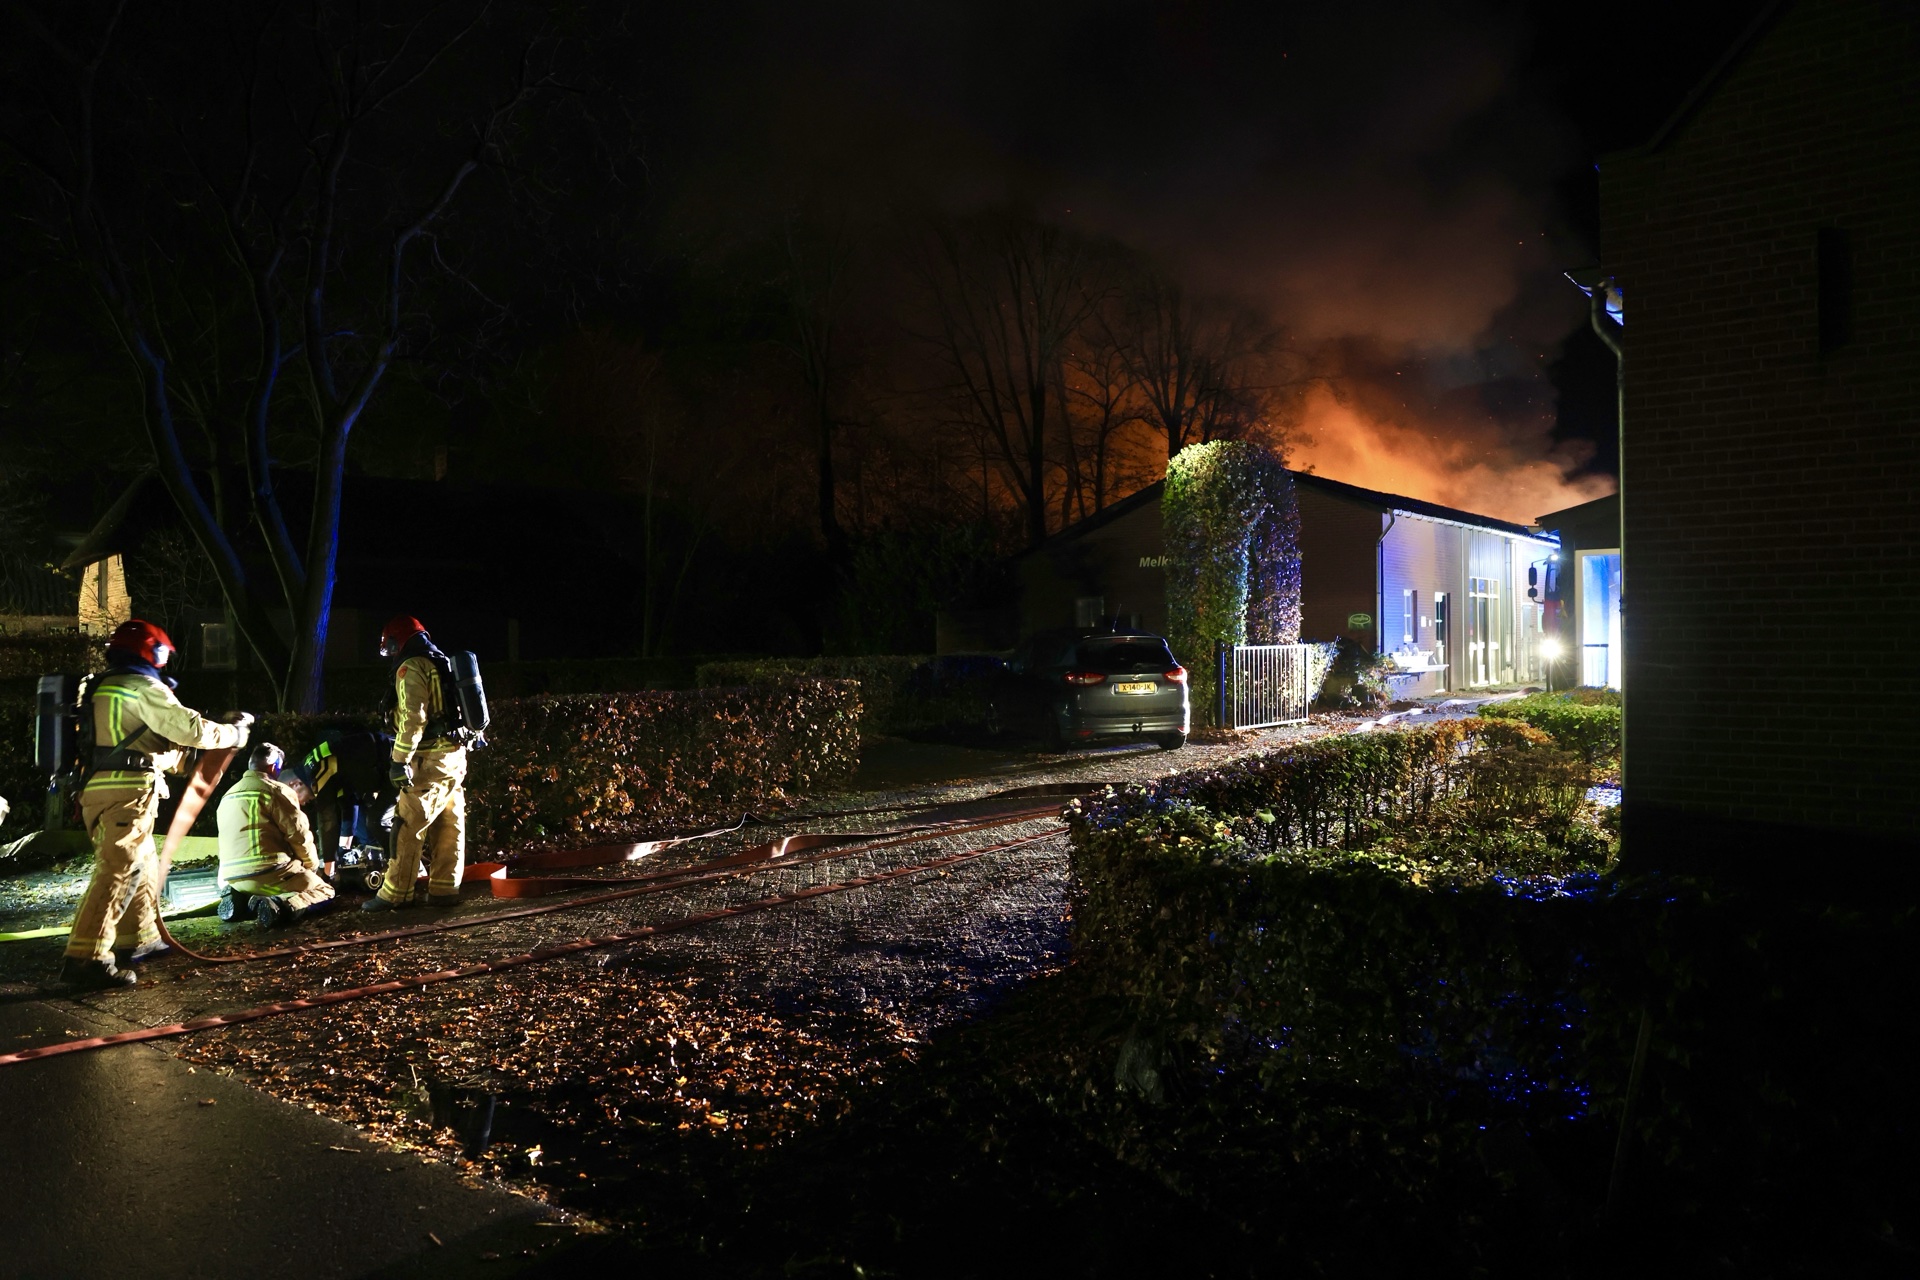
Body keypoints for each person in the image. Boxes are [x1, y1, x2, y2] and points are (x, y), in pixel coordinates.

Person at [60, 618, 251, 989]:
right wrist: (233, 733)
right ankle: (85, 959)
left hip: (100, 789)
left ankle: (139, 938)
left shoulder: (102, 687)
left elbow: (132, 744)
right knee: (118, 868)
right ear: (153, 651)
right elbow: (191, 729)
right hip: (126, 792)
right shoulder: (141, 686)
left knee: (142, 864)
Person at [363, 616, 468, 912]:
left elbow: (413, 718)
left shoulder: (412, 667)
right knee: (449, 825)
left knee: (407, 826)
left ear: (398, 642)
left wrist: (399, 761)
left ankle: (396, 894)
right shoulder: (441, 662)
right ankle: (445, 889)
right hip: (454, 757)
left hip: (430, 759)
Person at [216, 743, 336, 926]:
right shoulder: (276, 790)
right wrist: (312, 866)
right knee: (325, 891)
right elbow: (299, 834)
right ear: (274, 767)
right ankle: (280, 905)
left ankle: (238, 901)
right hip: (270, 873)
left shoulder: (227, 795)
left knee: (255, 888)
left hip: (231, 876)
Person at [289, 728, 396, 874]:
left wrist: (328, 866)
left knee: (377, 821)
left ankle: (400, 867)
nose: (300, 804)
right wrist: (345, 842)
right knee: (375, 821)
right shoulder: (317, 768)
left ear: (295, 784)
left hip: (394, 764)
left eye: (295, 798)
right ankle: (404, 866)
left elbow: (327, 817)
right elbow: (348, 800)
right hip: (386, 768)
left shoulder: (317, 770)